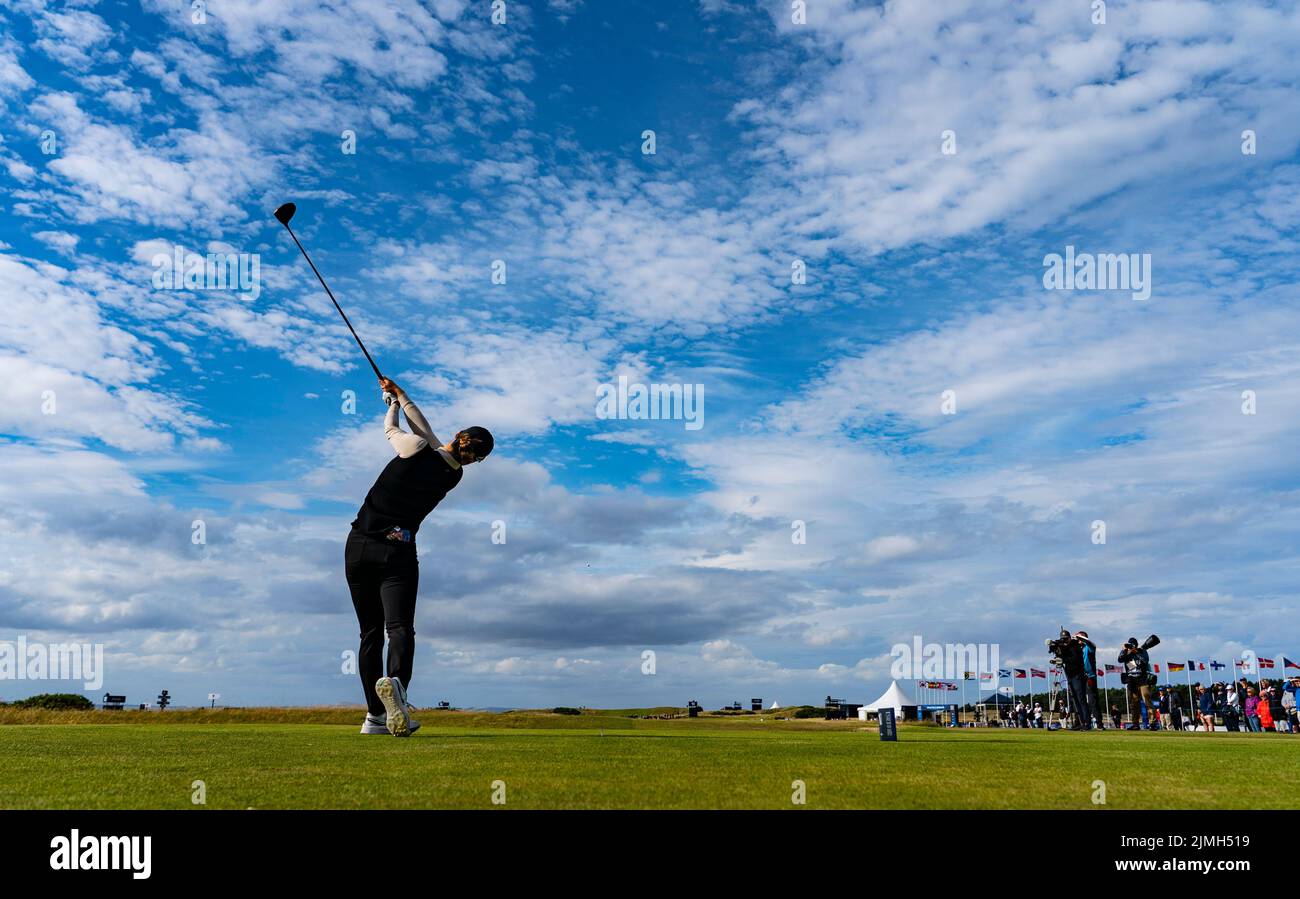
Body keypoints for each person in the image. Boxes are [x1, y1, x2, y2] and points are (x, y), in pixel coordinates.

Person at [346, 377, 494, 736]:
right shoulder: (452, 474)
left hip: (358, 546)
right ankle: (396, 685)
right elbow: (428, 435)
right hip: (398, 552)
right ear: (474, 456)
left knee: (369, 634)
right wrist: (400, 394)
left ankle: (374, 717)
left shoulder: (411, 447)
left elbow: (393, 430)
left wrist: (393, 404)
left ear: (459, 435)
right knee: (398, 628)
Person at [1119, 637, 1156, 730]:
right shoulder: (1126, 652)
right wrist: (1125, 650)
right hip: (1132, 681)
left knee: (1147, 700)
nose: (1131, 647)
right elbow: (1120, 659)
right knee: (1134, 703)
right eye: (1129, 645)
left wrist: (1136, 652)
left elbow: (1145, 661)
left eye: (1133, 645)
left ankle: (1152, 723)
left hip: (1143, 680)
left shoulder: (1142, 651)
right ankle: (1135, 724)